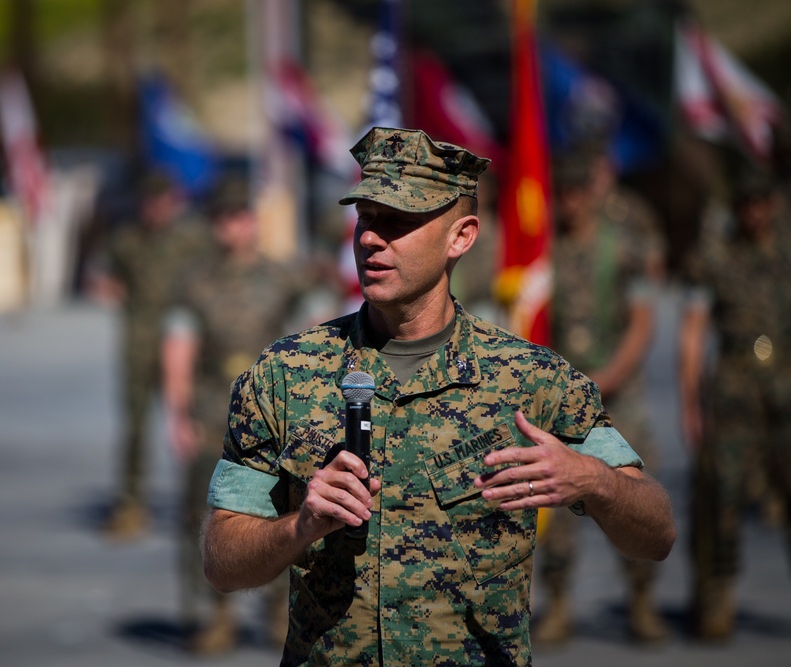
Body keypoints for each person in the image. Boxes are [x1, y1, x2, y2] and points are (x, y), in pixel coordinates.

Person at [200, 127, 676, 666]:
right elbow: (221, 560)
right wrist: (299, 527)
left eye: (398, 222)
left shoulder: (532, 379)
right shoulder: (283, 374)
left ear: (462, 237)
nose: (371, 239)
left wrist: (594, 479)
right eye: (365, 218)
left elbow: (657, 532)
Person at [161, 176, 306, 654]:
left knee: (284, 511)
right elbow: (179, 347)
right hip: (212, 413)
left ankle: (278, 615)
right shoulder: (193, 280)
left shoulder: (284, 276)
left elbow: (309, 339)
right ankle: (215, 617)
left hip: (275, 413)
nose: (233, 227)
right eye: (223, 218)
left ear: (253, 221)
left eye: (240, 216)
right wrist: (178, 414)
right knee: (205, 518)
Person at [532, 149, 668, 645]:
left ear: (591, 191)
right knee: (556, 503)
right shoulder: (546, 252)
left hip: (616, 398)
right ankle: (559, 603)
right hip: (560, 401)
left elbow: (642, 321)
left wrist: (610, 375)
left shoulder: (622, 248)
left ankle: (641, 601)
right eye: (560, 193)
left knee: (629, 496)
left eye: (575, 191)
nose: (568, 202)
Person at [679, 170, 791, 641]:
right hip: (732, 392)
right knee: (720, 500)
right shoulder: (716, 254)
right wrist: (690, 403)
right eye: (746, 203)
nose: (754, 212)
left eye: (761, 202)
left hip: (784, 391)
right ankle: (715, 599)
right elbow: (693, 330)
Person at [99, 171, 209, 539]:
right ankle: (131, 503)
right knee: (135, 426)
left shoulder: (193, 238)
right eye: (148, 201)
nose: (154, 209)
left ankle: (196, 504)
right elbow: (107, 275)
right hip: (140, 340)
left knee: (189, 420)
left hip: (182, 341)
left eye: (161, 201)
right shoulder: (127, 238)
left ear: (174, 200)